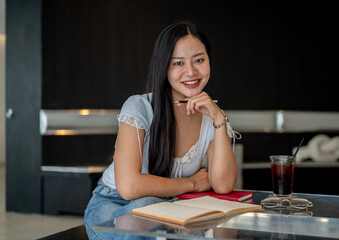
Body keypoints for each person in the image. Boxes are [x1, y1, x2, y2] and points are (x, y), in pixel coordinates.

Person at [84, 21, 240, 240]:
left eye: (199, 60)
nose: (191, 71)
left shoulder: (211, 115)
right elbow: (129, 186)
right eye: (178, 63)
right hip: (113, 202)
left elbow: (223, 185)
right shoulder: (140, 106)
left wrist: (218, 118)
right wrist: (193, 183)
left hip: (170, 207)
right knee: (147, 212)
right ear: (164, 66)